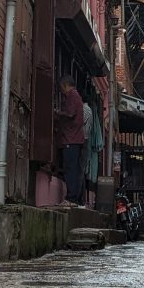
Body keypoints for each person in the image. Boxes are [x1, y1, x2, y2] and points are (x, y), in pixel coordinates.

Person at [55, 74, 85, 204]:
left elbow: (70, 113)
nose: (61, 91)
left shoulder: (72, 96)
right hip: (75, 139)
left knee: (70, 169)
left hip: (71, 139)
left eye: (62, 87)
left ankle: (71, 197)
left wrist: (58, 112)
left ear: (66, 85)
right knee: (75, 169)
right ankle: (75, 197)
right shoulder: (76, 96)